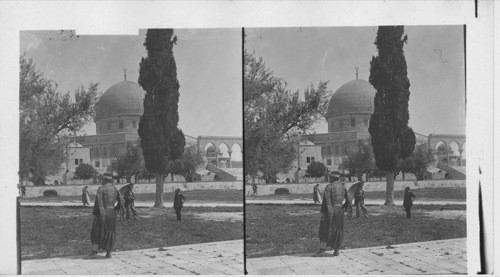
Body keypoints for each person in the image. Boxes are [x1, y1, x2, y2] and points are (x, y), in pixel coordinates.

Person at [86, 172, 124, 259]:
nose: (101, 181)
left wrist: (95, 214)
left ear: (105, 180)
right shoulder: (115, 189)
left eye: (102, 179)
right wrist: (116, 210)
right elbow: (121, 202)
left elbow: (98, 203)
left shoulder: (101, 189)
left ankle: (94, 253)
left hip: (102, 213)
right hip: (112, 213)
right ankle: (109, 253)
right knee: (110, 232)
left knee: (96, 232)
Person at [314, 171, 350, 257]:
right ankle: (336, 250)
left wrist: (323, 212)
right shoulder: (343, 187)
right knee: (338, 230)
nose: (329, 179)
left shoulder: (329, 187)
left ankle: (322, 250)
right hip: (340, 210)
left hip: (330, 210)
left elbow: (325, 201)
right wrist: (344, 206)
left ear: (333, 178)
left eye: (330, 178)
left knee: (324, 229)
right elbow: (349, 199)